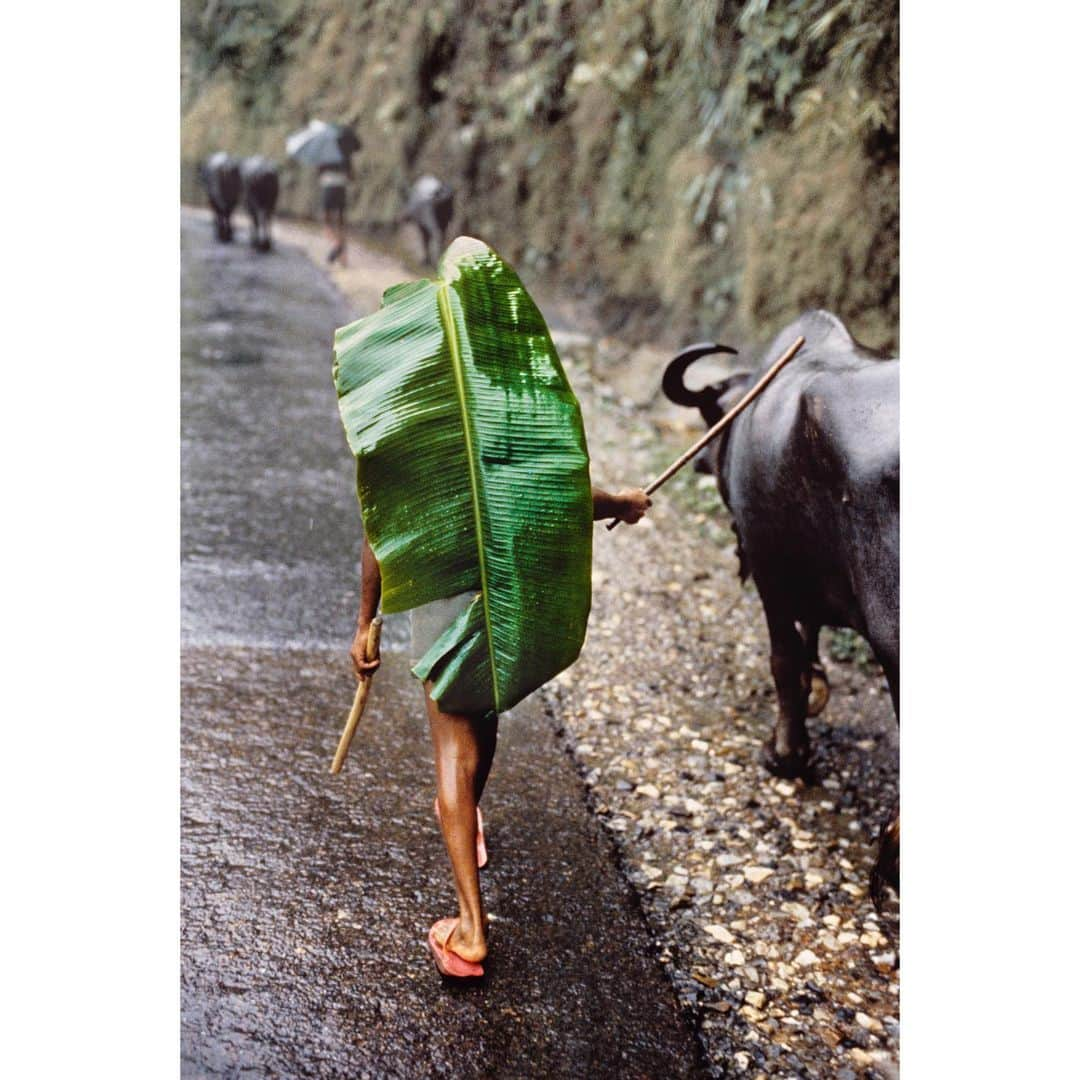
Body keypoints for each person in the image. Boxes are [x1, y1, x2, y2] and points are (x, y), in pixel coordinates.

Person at [349, 485, 651, 979]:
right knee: (482, 725)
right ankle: (465, 811)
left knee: (453, 753)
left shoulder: (415, 420)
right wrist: (621, 502)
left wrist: (365, 620)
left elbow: (377, 526)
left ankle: (470, 931)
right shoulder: (504, 410)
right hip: (509, 601)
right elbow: (556, 489)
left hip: (446, 601)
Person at [319, 158, 350, 266]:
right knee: (341, 223)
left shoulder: (324, 154)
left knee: (327, 222)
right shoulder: (344, 152)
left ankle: (337, 246)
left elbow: (319, 172)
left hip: (328, 188)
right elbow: (351, 175)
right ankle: (343, 259)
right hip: (341, 188)